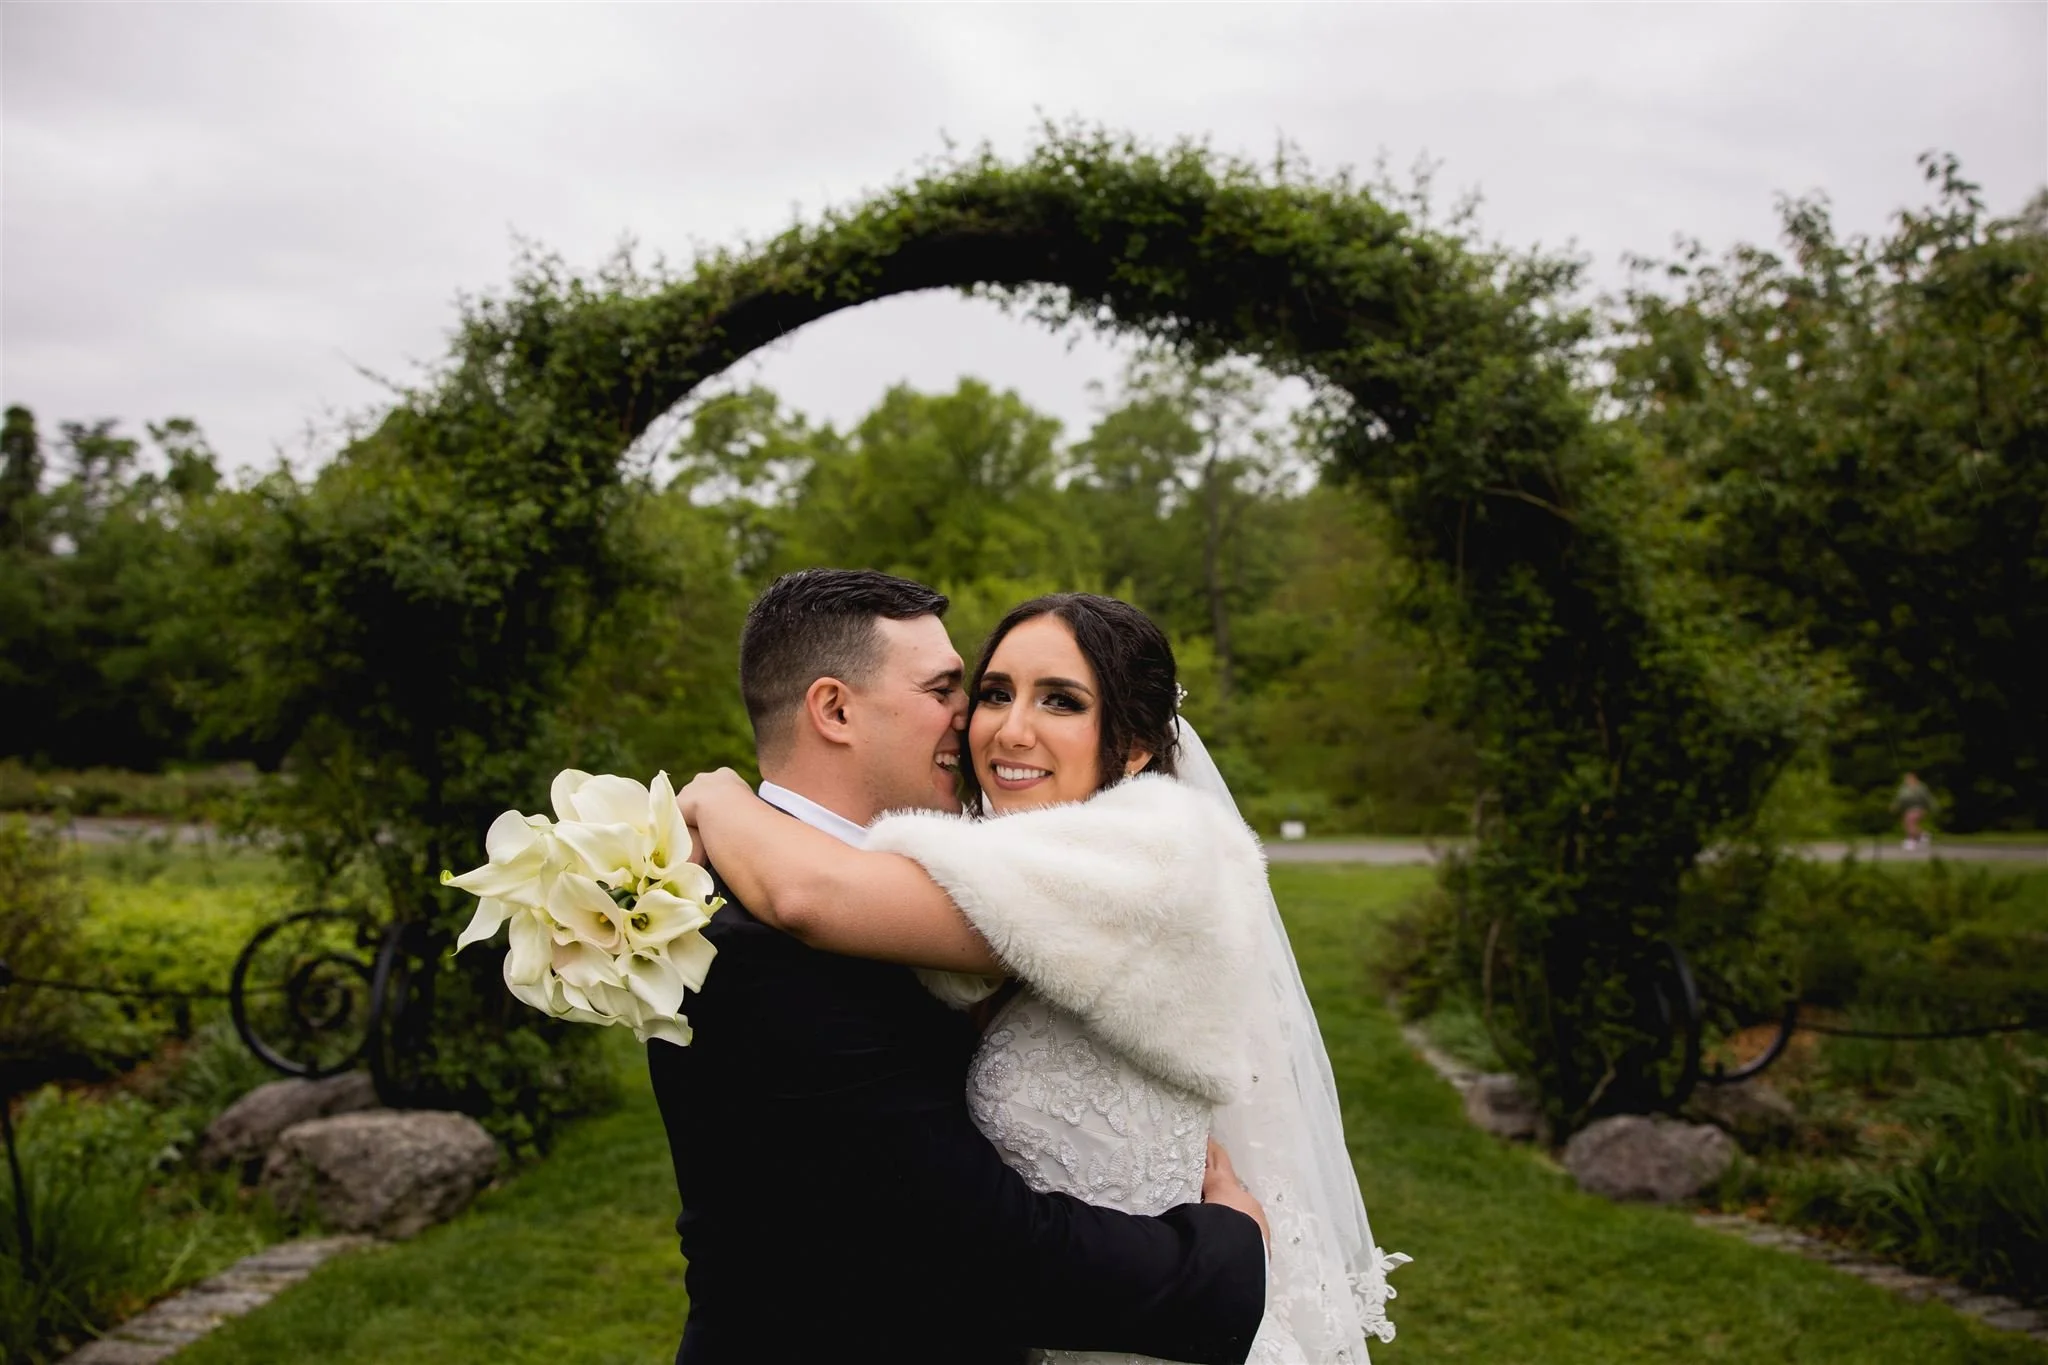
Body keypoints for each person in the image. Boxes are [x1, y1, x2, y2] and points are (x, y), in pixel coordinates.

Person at [678, 590, 1406, 1364]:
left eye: (1060, 699)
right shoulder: (992, 872)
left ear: (1131, 745)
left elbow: (811, 893)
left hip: (1150, 1330)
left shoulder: (1157, 853)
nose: (996, 726)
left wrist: (717, 796)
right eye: (991, 692)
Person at [1893, 772, 1935, 851]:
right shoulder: (1904, 789)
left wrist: (1929, 808)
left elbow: (1928, 798)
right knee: (1906, 823)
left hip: (1919, 808)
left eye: (1909, 778)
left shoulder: (1921, 788)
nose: (1907, 780)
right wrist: (1896, 806)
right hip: (1908, 809)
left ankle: (1911, 841)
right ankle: (1922, 835)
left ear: (1914, 779)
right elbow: (1900, 799)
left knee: (1910, 821)